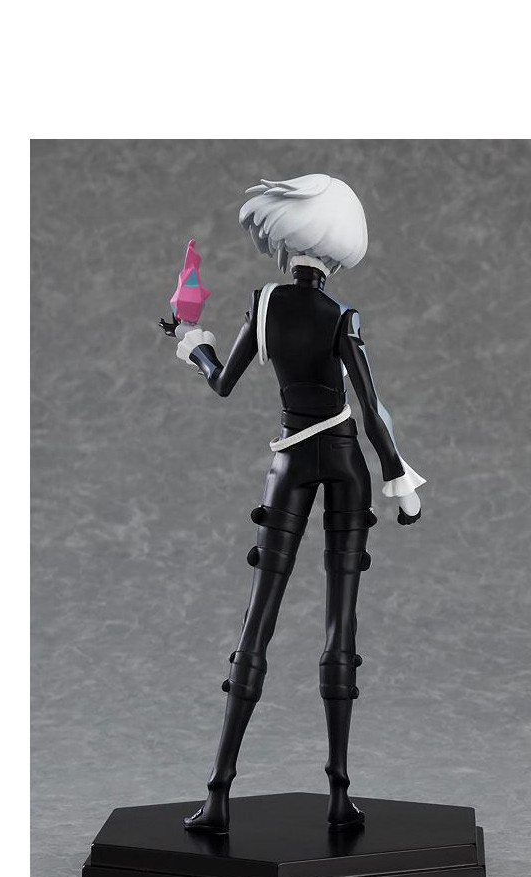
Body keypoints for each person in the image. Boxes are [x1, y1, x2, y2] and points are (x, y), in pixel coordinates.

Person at [172, 174, 425, 832]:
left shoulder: (263, 305)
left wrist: (194, 345)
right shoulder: (341, 317)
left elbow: (222, 383)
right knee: (341, 627)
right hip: (343, 462)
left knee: (257, 622)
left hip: (290, 461)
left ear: (288, 239)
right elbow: (371, 409)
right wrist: (399, 480)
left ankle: (218, 796)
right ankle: (339, 795)